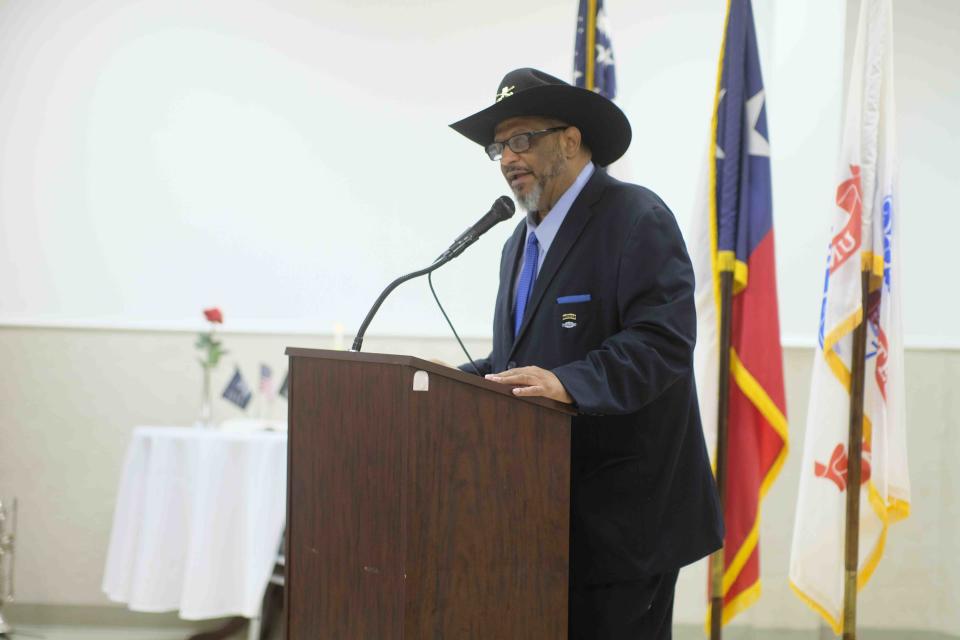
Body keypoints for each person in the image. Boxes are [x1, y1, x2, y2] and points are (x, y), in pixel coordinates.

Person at [449, 68, 723, 639]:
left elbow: (662, 342)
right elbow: (516, 358)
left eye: (521, 139)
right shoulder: (517, 243)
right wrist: (446, 382)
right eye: (498, 146)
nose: (506, 157)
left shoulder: (635, 218)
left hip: (625, 524)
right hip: (543, 518)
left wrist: (567, 383)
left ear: (570, 142)